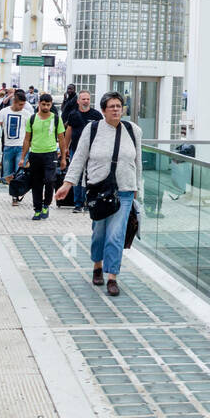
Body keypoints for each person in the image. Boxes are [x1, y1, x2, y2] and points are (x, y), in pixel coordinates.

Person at [57, 92, 142, 296]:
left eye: (118, 106)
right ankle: (97, 265)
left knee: (116, 235)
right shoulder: (93, 129)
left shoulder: (133, 130)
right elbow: (79, 158)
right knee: (100, 233)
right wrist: (67, 184)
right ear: (103, 110)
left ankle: (112, 276)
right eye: (111, 106)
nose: (115, 109)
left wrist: (138, 189)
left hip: (124, 190)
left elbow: (138, 162)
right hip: (98, 190)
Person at [19, 92, 68, 220]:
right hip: (35, 154)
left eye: (48, 104)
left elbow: (62, 140)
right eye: (43, 104)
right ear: (39, 104)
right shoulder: (32, 118)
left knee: (50, 180)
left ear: (51, 104)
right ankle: (37, 209)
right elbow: (26, 139)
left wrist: (63, 158)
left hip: (50, 154)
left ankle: (46, 204)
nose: (46, 107)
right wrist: (23, 157)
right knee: (36, 183)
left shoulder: (56, 119)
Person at [64, 90, 103, 212]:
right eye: (83, 99)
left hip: (93, 152)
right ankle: (78, 203)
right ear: (78, 101)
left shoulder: (96, 115)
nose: (86, 101)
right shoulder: (73, 115)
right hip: (76, 150)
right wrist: (65, 147)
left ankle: (88, 202)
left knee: (90, 177)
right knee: (76, 175)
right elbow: (69, 131)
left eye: (87, 99)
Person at [0, 89, 30, 201]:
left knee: (19, 172)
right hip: (8, 147)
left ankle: (15, 195)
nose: (22, 107)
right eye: (20, 104)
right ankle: (14, 191)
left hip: (21, 147)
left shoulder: (27, 114)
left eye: (23, 104)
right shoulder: (4, 112)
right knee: (7, 174)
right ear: (14, 101)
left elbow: (31, 131)